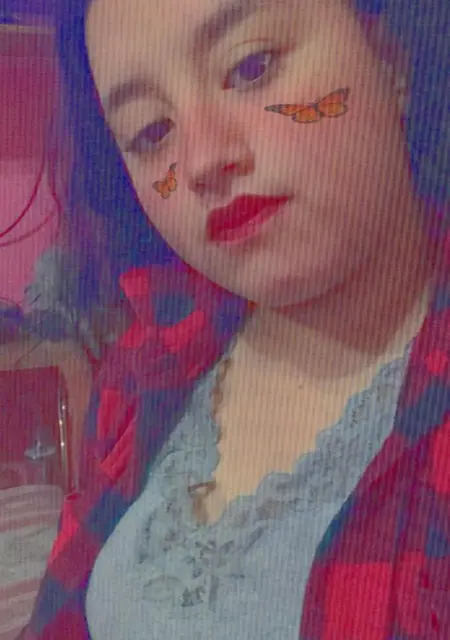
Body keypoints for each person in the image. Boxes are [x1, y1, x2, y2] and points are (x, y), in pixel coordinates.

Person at [19, 0, 449, 637]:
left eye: (251, 67)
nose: (201, 162)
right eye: (151, 132)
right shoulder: (153, 355)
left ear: (389, 52)